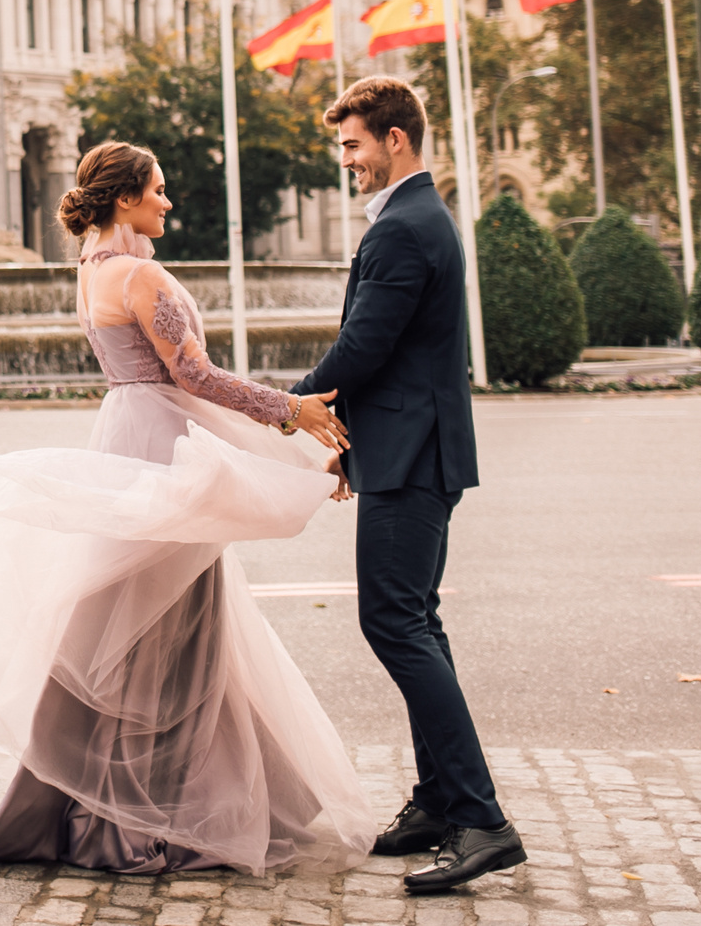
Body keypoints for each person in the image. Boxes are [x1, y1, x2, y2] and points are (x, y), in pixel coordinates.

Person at [0, 140, 372, 876]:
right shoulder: (139, 274)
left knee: (135, 624)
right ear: (126, 196)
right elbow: (192, 374)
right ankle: (152, 810)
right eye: (159, 189)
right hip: (163, 448)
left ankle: (94, 800)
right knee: (169, 633)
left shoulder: (91, 269)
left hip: (130, 435)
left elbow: (163, 381)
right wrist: (289, 411)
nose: (169, 200)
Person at [287, 77, 523, 894]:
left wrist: (296, 405)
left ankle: (482, 819)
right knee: (416, 619)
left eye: (352, 144)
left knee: (394, 621)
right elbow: (392, 350)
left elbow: (365, 344)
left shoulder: (405, 226)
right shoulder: (416, 217)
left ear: (395, 137)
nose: (345, 159)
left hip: (413, 457)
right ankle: (435, 800)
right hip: (410, 448)